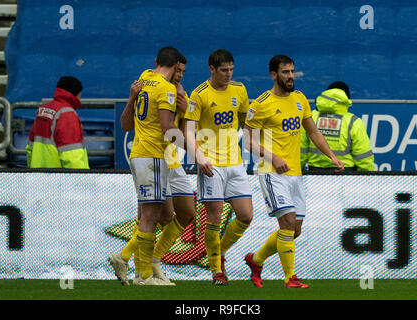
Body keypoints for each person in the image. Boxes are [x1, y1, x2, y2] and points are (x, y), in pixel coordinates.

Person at [243, 55, 344, 288]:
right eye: (285, 72)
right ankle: (290, 278)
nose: (290, 76)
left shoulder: (300, 99)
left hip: (295, 173)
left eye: (292, 72)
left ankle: (256, 260)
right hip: (271, 171)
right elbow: (247, 140)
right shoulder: (260, 104)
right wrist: (273, 157)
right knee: (287, 222)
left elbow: (314, 133)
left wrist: (331, 156)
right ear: (273, 75)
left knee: (295, 230)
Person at [109, 54, 196, 286]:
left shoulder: (153, 81)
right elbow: (168, 128)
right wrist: (198, 154)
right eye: (180, 71)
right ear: (174, 67)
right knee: (150, 214)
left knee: (182, 213)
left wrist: (186, 111)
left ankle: (144, 260)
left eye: (184, 73)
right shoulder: (162, 87)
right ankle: (143, 270)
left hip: (169, 158)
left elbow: (182, 129)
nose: (181, 75)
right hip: (155, 155)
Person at [183, 49, 253, 286]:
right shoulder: (199, 94)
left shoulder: (239, 89)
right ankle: (217, 273)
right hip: (211, 164)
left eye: (231, 69)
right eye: (224, 70)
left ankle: (217, 252)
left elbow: (246, 122)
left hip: (235, 163)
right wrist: (199, 156)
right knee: (214, 219)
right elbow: (188, 131)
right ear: (211, 69)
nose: (228, 74)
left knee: (246, 216)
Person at [301, 81, 374, 172]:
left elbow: (301, 150)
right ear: (345, 99)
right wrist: (367, 177)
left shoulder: (310, 117)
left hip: (315, 174)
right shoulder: (353, 121)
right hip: (345, 174)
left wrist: (298, 170)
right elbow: (363, 156)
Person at [26, 76, 89, 169]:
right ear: (77, 94)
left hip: (38, 177)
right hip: (59, 179)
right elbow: (71, 156)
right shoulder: (67, 114)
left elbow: (30, 148)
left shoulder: (43, 110)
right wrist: (81, 181)